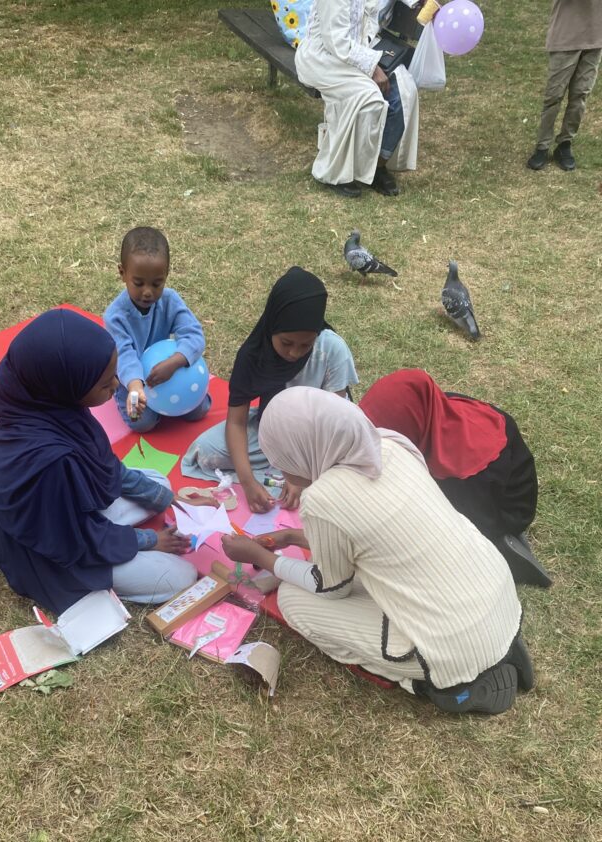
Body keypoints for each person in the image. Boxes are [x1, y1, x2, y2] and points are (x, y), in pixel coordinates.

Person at [220, 388, 534, 715]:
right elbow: (380, 534)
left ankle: (433, 683)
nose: (283, 472)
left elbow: (329, 587)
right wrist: (293, 537)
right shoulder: (389, 444)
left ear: (301, 449)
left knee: (292, 600)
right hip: (497, 596)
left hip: (451, 641)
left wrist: (262, 558)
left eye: (281, 460)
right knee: (365, 577)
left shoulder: (324, 498)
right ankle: (496, 645)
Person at [0, 307, 202, 615]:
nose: (115, 386)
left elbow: (107, 469)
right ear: (67, 383)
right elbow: (74, 540)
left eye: (113, 374)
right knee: (181, 576)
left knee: (158, 484)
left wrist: (169, 499)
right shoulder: (50, 462)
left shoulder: (47, 402)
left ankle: (122, 523)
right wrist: (149, 540)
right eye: (104, 383)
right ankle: (118, 544)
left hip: (71, 515)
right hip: (55, 553)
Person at [181, 266, 358, 513]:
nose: (294, 353)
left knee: (347, 472)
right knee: (205, 452)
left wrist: (299, 474)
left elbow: (333, 424)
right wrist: (248, 482)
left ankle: (297, 478)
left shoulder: (331, 349)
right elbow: (236, 423)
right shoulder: (253, 355)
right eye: (286, 343)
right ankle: (284, 476)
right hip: (276, 432)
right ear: (272, 325)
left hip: (324, 440)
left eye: (305, 345)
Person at [359, 370, 551, 587]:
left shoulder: (462, 469)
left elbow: (462, 528)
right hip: (486, 484)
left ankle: (504, 550)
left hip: (503, 510)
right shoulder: (434, 408)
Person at [294, 0, 420, 197]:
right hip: (324, 57)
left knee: (406, 90)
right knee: (368, 98)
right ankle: (335, 173)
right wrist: (372, 67)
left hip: (364, 49)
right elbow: (336, 41)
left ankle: (377, 165)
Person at [104, 226, 211, 433]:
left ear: (166, 275)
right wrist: (135, 387)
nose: (147, 292)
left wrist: (174, 362)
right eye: (138, 283)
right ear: (122, 273)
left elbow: (194, 334)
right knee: (143, 423)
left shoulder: (170, 300)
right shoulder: (114, 316)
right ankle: (133, 401)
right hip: (133, 380)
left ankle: (172, 403)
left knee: (200, 411)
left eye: (156, 284)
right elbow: (123, 355)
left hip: (170, 373)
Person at [526, 0, 601, 171]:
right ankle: (542, 146)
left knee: (580, 94)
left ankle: (565, 143)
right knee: (554, 96)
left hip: (595, 36)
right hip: (565, 36)